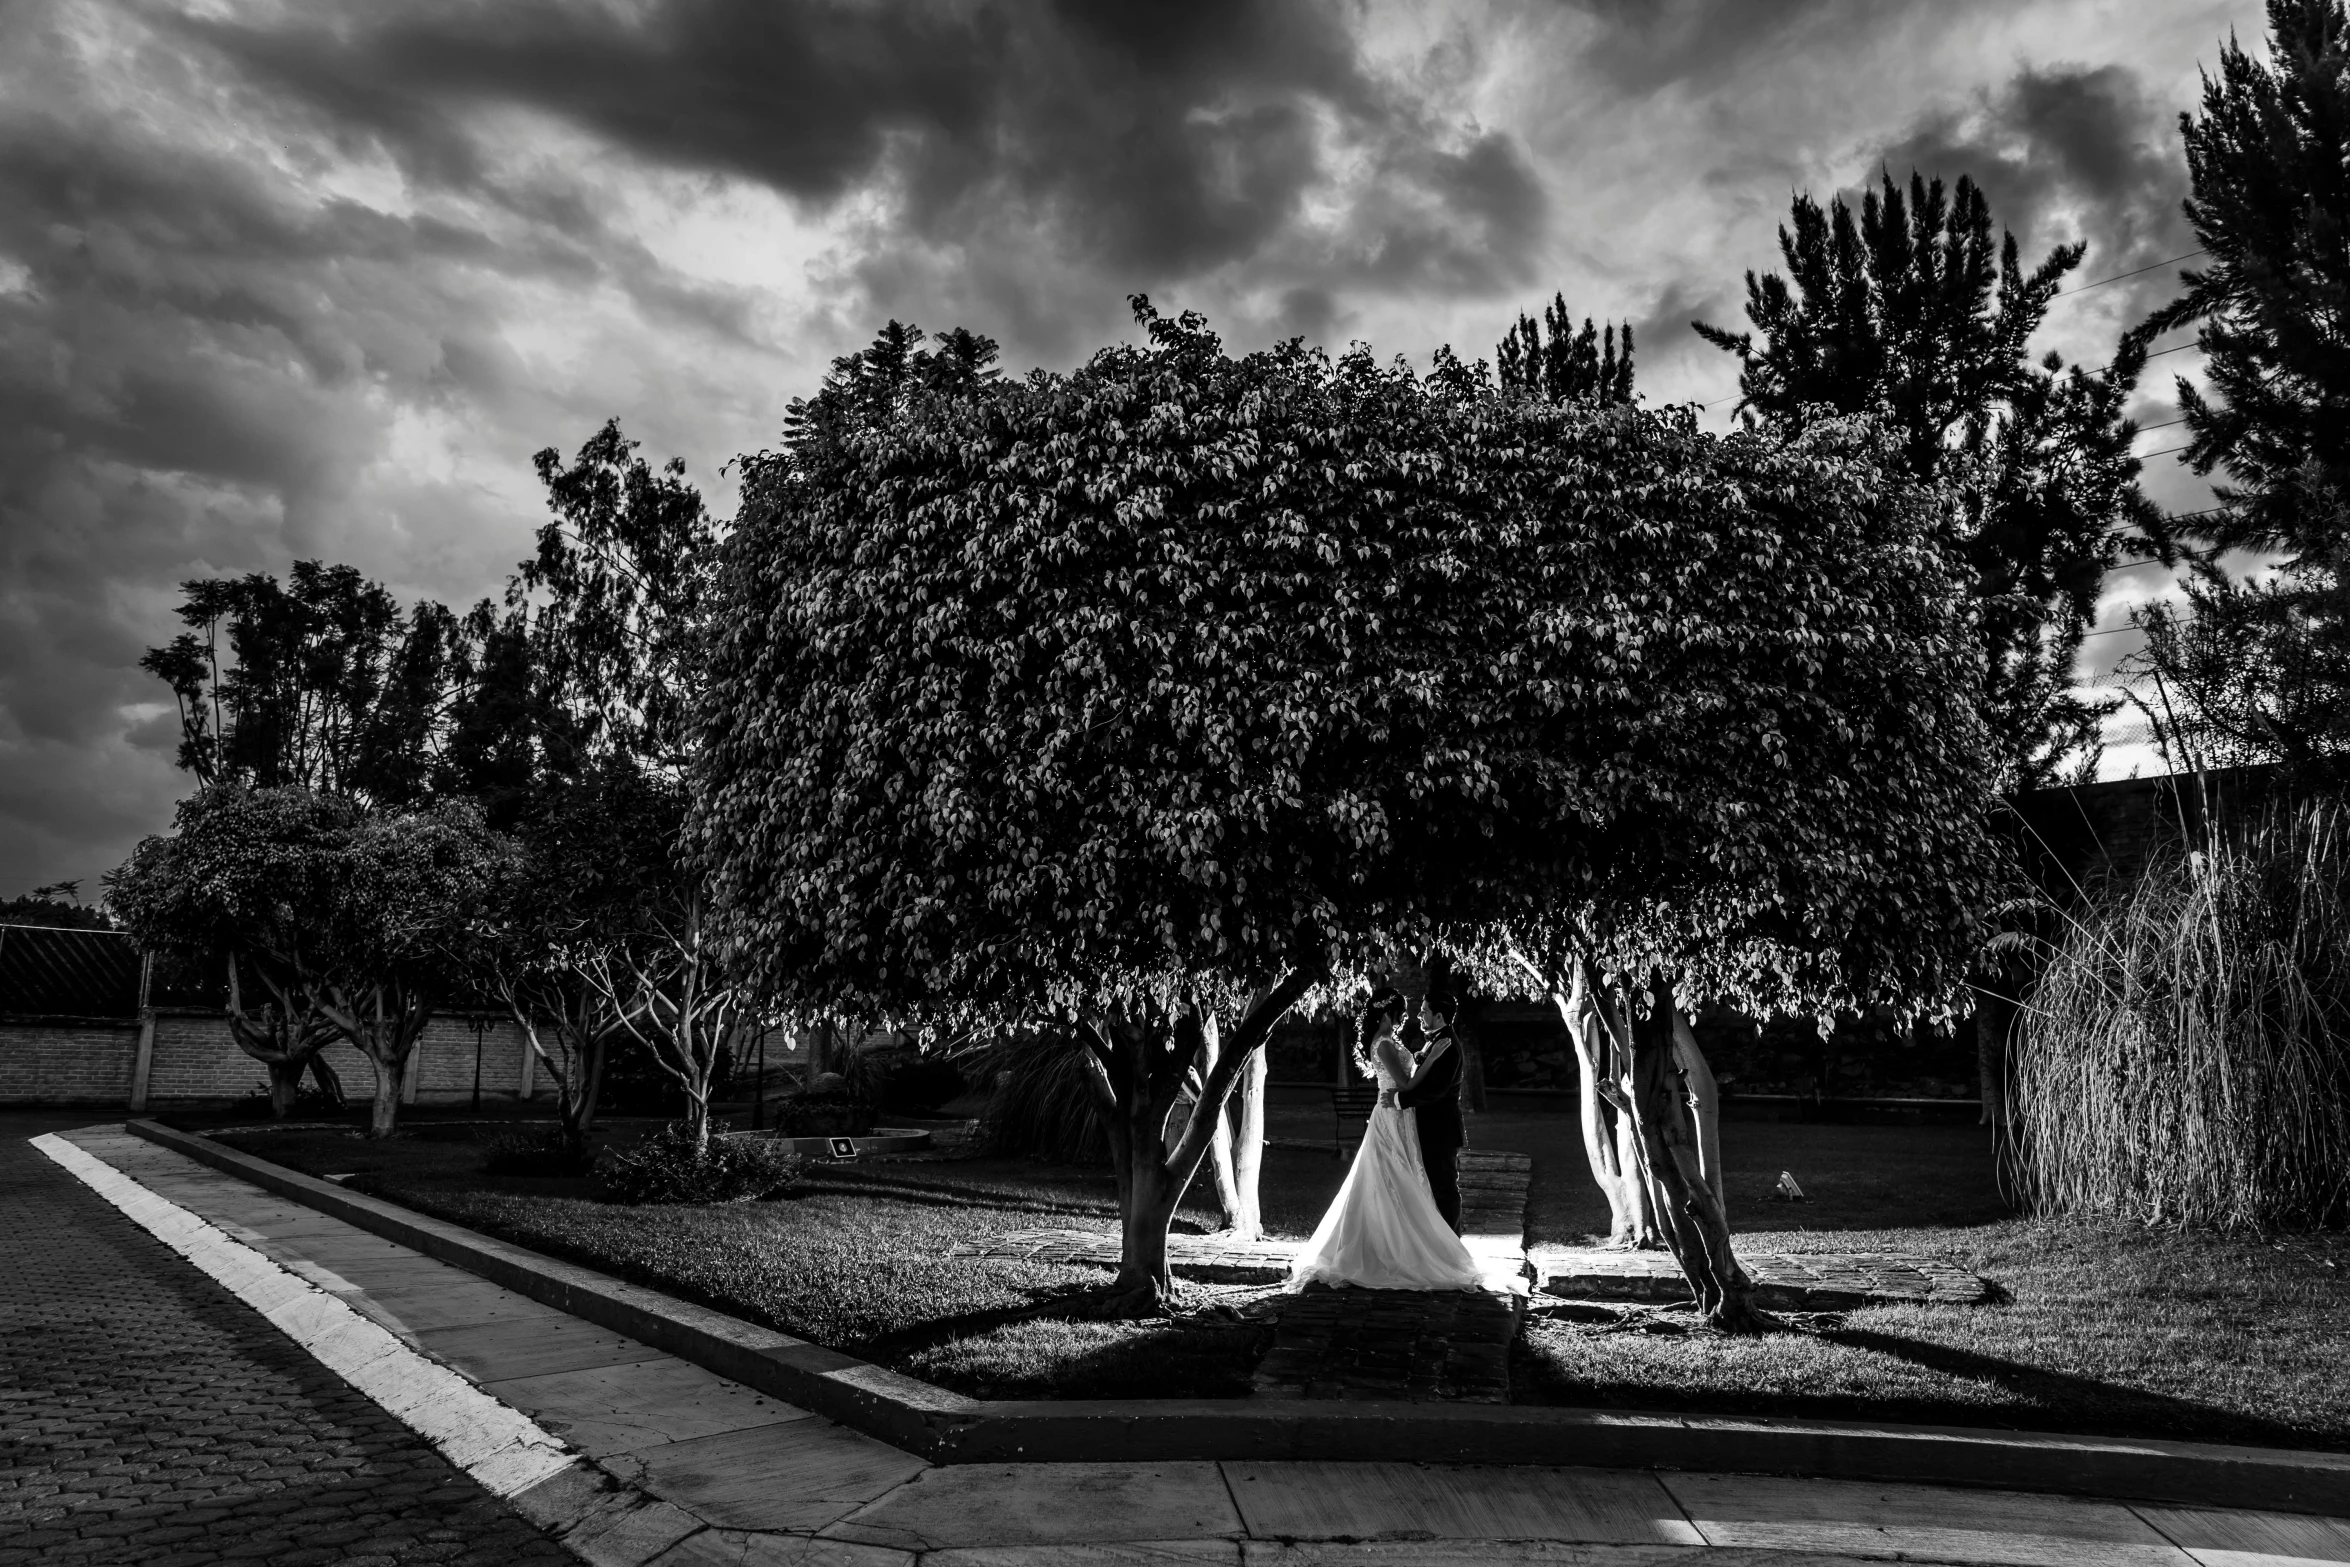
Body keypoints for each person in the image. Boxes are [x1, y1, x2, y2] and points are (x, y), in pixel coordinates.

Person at [1286, 987, 1484, 1292]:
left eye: (1421, 1012)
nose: (1412, 1017)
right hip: (1391, 1117)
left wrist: (1426, 1061)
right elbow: (1406, 1082)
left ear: (1440, 1016)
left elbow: (1424, 1085)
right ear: (1388, 1014)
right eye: (1404, 1013)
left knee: (1427, 1183)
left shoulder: (1438, 1044)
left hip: (1415, 1120)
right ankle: (1402, 1247)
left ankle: (1441, 1245)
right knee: (1391, 1178)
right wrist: (1429, 1060)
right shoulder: (1386, 1044)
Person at [1397, 984, 1468, 1234]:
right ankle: (1440, 1244)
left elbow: (1436, 1090)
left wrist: (1400, 1101)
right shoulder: (1437, 1040)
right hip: (1432, 1129)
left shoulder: (1447, 1044)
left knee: (1444, 1187)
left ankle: (1452, 1244)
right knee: (1434, 1185)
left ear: (1439, 1016)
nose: (1419, 1015)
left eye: (1424, 1011)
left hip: (1441, 1130)